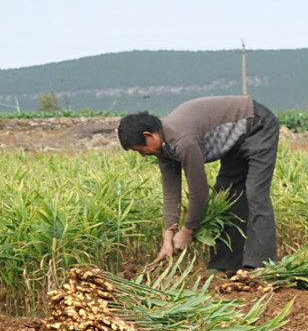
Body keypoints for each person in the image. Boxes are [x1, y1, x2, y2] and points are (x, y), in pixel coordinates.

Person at [117, 95, 280, 272]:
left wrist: (187, 230)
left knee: (256, 193)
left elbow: (199, 190)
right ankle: (225, 265)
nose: (144, 155)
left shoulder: (183, 141)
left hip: (256, 123)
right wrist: (168, 235)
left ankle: (263, 264)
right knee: (226, 196)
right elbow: (171, 191)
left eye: (142, 150)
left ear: (149, 135)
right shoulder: (162, 147)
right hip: (234, 141)